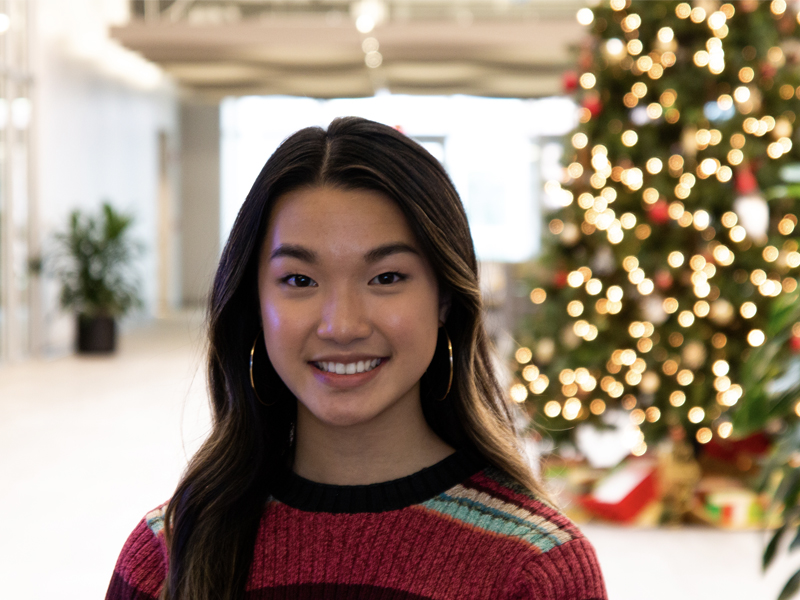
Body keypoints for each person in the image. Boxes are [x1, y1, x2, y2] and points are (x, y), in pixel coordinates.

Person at [106, 117, 607, 600]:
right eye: (300, 280)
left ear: (445, 299)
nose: (341, 325)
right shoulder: (167, 555)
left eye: (386, 277)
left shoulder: (534, 567)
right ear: (254, 305)